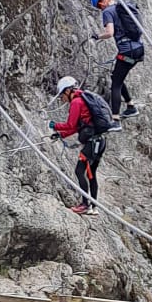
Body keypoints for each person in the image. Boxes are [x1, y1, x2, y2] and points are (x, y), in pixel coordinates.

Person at [49, 75, 109, 215]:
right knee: (91, 174)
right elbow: (76, 127)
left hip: (91, 143)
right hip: (99, 141)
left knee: (79, 171)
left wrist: (54, 125)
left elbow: (70, 124)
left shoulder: (76, 102)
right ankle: (93, 207)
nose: (62, 99)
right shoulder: (83, 99)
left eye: (62, 95)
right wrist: (61, 135)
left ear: (67, 91)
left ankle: (85, 204)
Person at [90, 0, 144, 125]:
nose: (100, 8)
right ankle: (131, 106)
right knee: (117, 76)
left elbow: (110, 33)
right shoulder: (123, 8)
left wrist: (98, 36)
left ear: (102, 0)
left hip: (127, 50)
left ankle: (115, 120)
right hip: (138, 49)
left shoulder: (108, 11)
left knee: (115, 84)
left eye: (99, 5)